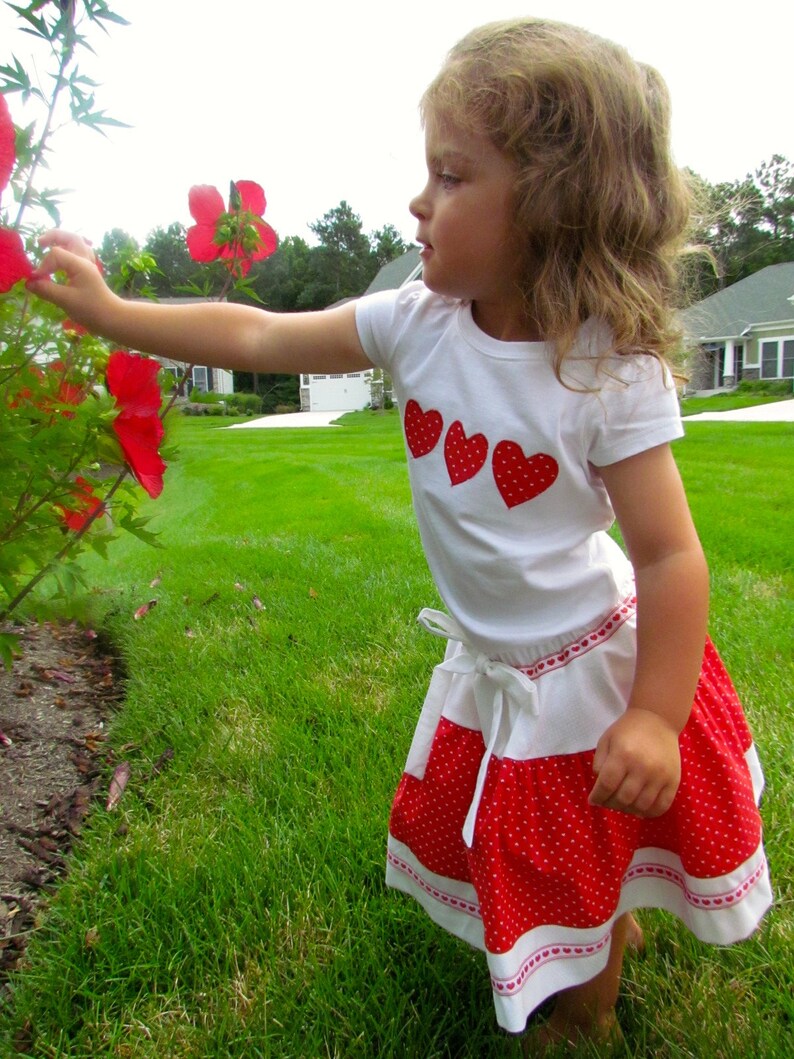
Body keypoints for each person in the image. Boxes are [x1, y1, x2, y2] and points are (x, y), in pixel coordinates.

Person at [28, 17, 771, 1052]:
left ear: (554, 205)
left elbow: (667, 554)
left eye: (451, 175)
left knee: (568, 850)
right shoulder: (412, 320)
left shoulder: (605, 368)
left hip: (580, 665)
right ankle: (594, 927)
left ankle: (583, 1007)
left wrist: (651, 716)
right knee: (548, 839)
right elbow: (253, 332)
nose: (417, 203)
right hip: (494, 655)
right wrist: (115, 315)